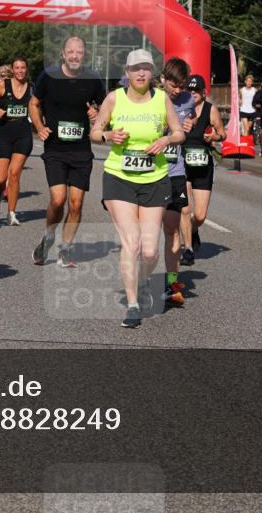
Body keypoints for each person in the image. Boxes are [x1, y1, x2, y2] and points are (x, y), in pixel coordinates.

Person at [90, 49, 185, 329]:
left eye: (145, 68)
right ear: (127, 72)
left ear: (153, 73)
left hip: (155, 178)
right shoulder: (114, 98)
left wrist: (166, 140)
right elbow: (95, 132)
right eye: (135, 69)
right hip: (119, 177)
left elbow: (179, 132)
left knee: (150, 251)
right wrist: (107, 134)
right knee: (131, 242)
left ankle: (142, 280)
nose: (141, 73)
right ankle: (132, 304)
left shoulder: (162, 99)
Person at [29, 36, 106, 267]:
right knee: (58, 198)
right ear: (63, 53)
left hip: (81, 150)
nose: (75, 56)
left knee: (76, 203)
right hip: (55, 148)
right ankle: (49, 235)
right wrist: (40, 127)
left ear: (85, 55)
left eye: (79, 52)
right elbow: (33, 103)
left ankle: (66, 249)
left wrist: (97, 114)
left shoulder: (92, 80)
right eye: (71, 51)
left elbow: (105, 107)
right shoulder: (49, 76)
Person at [159, 58, 195, 307]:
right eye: (174, 84)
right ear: (163, 79)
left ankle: (171, 284)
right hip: (149, 173)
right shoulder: (149, 100)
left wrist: (189, 126)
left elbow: (189, 122)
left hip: (175, 171)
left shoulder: (188, 100)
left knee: (172, 228)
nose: (178, 90)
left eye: (181, 86)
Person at [179, 74, 226, 266]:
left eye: (196, 90)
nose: (193, 93)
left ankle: (193, 229)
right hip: (181, 163)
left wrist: (214, 137)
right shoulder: (179, 108)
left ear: (203, 92)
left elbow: (222, 133)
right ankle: (188, 249)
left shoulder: (210, 110)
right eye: (189, 90)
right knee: (184, 209)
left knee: (199, 215)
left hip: (202, 165)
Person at [0, 57, 33, 226]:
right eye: (17, 68)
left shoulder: (32, 89)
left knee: (14, 175)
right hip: (4, 133)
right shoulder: (4, 85)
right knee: (0, 178)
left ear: (26, 69)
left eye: (23, 67)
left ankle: (11, 213)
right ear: (13, 69)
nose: (20, 71)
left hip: (23, 133)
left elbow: (39, 108)